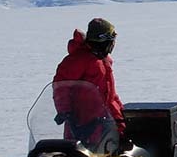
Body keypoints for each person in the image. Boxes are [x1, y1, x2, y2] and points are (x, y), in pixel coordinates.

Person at [53, 17, 125, 149]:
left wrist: (121, 120)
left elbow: (110, 96)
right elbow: (61, 86)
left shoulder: (103, 61)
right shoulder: (78, 60)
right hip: (79, 124)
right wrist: (65, 111)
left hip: (103, 123)